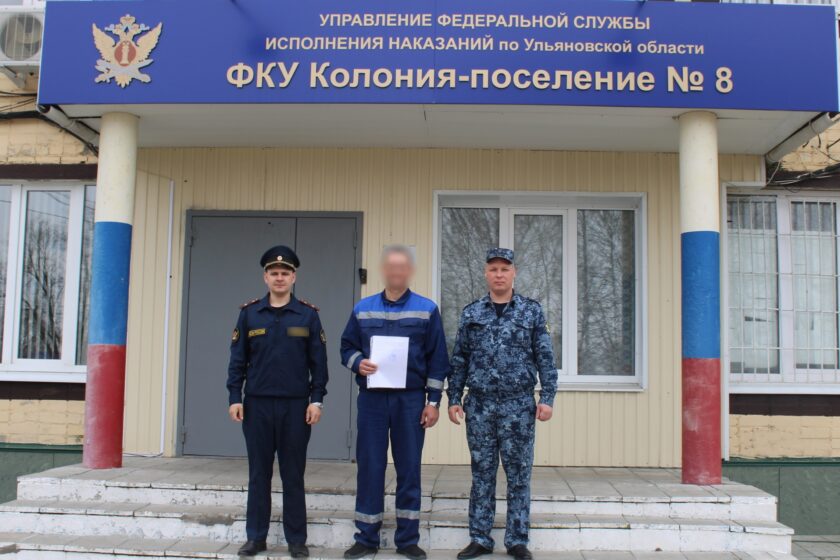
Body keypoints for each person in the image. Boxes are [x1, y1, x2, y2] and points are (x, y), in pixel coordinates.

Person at [340, 245, 450, 560]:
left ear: (410, 271)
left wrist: (433, 402)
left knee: (409, 467)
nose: (396, 272)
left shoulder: (426, 309)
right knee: (370, 466)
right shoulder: (363, 309)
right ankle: (366, 538)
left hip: (410, 400)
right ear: (384, 271)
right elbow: (346, 347)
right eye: (391, 267)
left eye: (402, 267)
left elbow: (438, 359)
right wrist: (358, 362)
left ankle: (408, 539)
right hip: (372, 400)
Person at [447, 248, 558, 560]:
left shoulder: (531, 312)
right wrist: (453, 398)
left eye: (504, 269)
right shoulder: (471, 313)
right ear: (486, 273)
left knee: (519, 476)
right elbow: (459, 360)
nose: (499, 274)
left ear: (514, 273)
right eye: (493, 269)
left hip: (518, 406)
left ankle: (517, 540)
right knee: (482, 474)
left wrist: (547, 398)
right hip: (480, 407)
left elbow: (545, 358)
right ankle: (480, 538)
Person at [226, 245, 328, 558]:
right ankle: (256, 538)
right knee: (259, 474)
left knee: (293, 474)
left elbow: (319, 365)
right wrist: (235, 397)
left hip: (296, 408)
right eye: (274, 273)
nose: (279, 277)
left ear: (294, 277)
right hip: (257, 406)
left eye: (285, 273)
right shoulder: (249, 314)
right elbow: (237, 361)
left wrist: (316, 401)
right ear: (265, 277)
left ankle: (296, 540)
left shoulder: (308, 315)